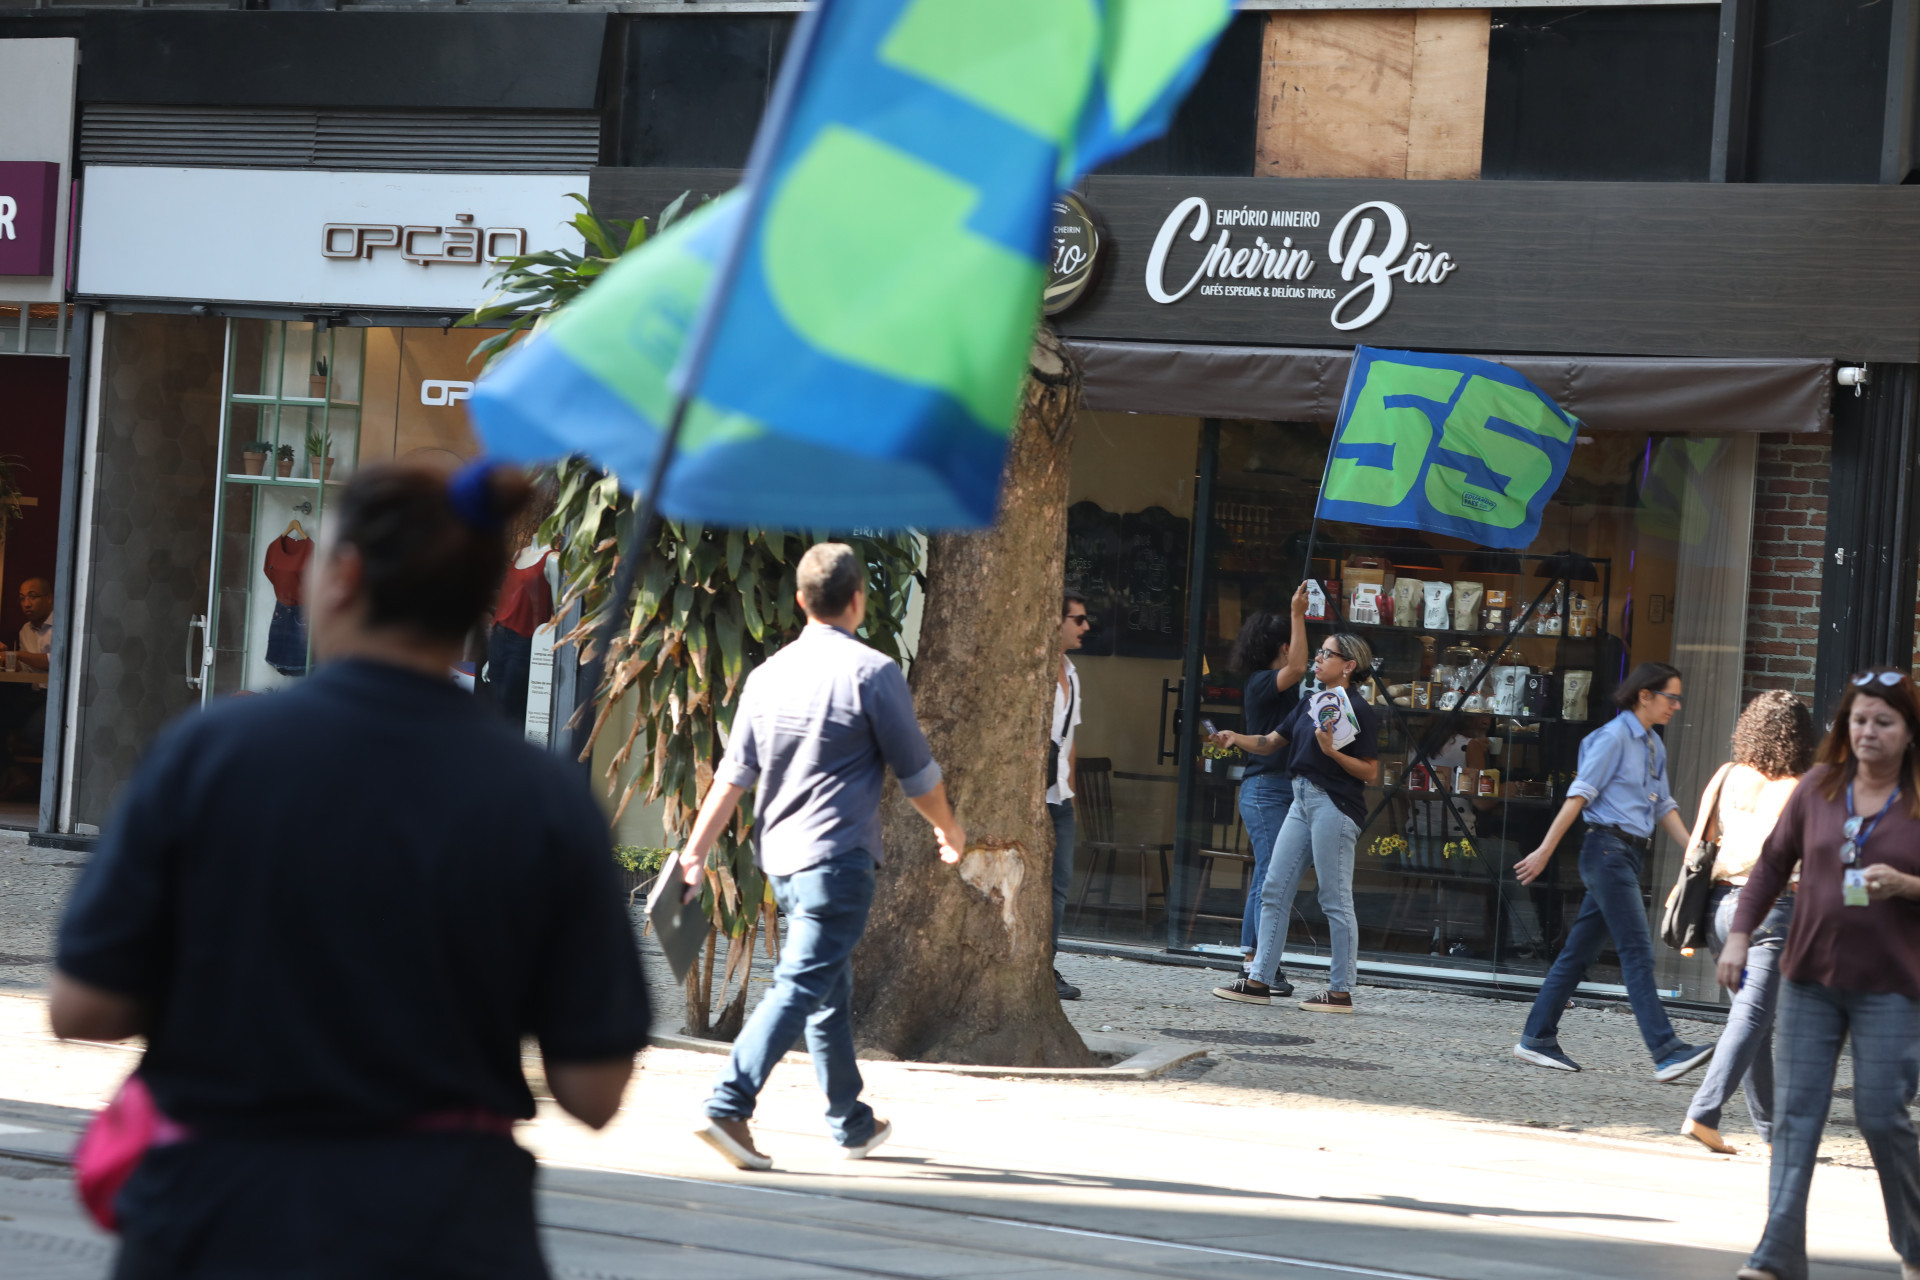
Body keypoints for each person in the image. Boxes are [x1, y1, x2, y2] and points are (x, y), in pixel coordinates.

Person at [51, 462, 652, 1278]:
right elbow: (594, 1089)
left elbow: (84, 1005)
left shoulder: (213, 753)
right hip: (447, 1230)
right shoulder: (543, 799)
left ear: (345, 577)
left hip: (218, 1219)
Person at [675, 542, 966, 1172]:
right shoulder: (874, 673)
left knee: (830, 987)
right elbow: (918, 775)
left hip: (779, 861)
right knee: (803, 985)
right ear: (858, 599)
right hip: (837, 860)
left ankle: (851, 1122)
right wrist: (950, 830)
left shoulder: (766, 674)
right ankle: (728, 1103)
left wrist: (694, 854)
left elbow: (732, 777)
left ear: (801, 601)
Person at [1724, 669, 1920, 1280]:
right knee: (1797, 1114)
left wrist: (1908, 885)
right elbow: (1769, 866)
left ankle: (1915, 1242)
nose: (1868, 731)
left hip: (1891, 984)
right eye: (1859, 719)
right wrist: (1738, 935)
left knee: (1880, 1113)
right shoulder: (1817, 789)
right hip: (1810, 977)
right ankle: (1778, 1253)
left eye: (1883, 721)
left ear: (1909, 733)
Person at [1511, 661, 1715, 1081]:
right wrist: (1546, 850)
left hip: (1625, 855)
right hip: (1605, 851)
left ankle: (1536, 1038)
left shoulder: (1654, 745)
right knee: (1638, 953)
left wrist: (1698, 850)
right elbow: (1578, 796)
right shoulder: (1612, 738)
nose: (1677, 705)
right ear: (1645, 695)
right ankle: (1666, 1050)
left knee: (1577, 955)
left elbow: (1663, 805)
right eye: (1671, 696)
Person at [1211, 631, 1379, 1014]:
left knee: (1334, 898)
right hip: (1300, 800)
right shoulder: (1311, 702)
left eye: (1327, 654)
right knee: (1274, 889)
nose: (1318, 659)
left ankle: (1340, 991)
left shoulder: (1358, 709)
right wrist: (1235, 737)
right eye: (1319, 652)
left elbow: (1369, 772)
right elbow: (1271, 742)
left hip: (1334, 804)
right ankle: (1258, 980)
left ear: (1348, 665)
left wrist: (1331, 752)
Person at [1677, 690, 1814, 1154]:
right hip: (1773, 909)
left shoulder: (1727, 776)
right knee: (1754, 1015)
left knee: (1753, 1019)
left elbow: (1698, 842)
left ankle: (1776, 1134)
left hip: (1719, 909)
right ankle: (1704, 1111)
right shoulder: (1801, 787)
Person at [1213, 586, 1309, 986]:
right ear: (1283, 648)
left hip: (1284, 788)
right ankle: (1254, 960)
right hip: (1266, 788)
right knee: (1271, 873)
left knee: (1274, 874)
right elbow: (1300, 667)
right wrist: (1298, 614)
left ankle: (1260, 957)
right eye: (1293, 645)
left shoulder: (1279, 687)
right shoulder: (1262, 681)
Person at [1048, 590, 1090, 1001]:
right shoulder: (1037, 671)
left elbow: (1070, 740)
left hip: (1060, 795)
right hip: (1035, 796)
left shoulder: (1072, 672)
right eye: (1077, 619)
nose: (1085, 627)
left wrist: (1070, 793)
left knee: (1059, 886)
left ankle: (1046, 965)